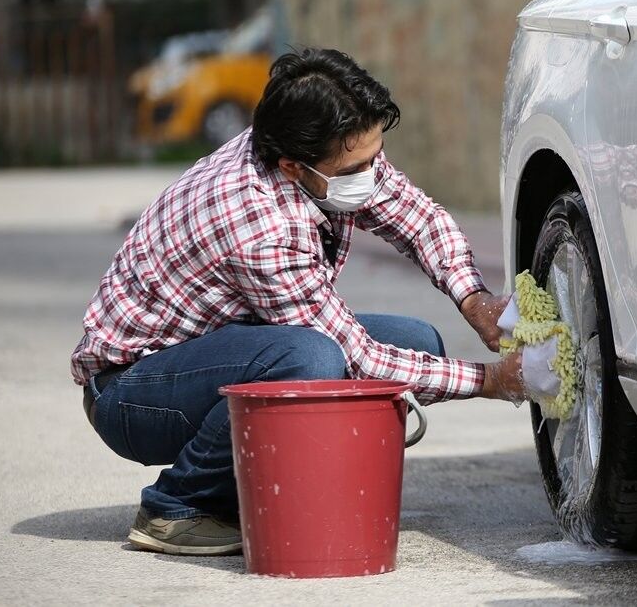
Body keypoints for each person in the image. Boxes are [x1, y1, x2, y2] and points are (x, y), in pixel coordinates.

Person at [71, 48, 524, 556]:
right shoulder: (258, 222)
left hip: (214, 349)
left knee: (417, 343)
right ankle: (177, 507)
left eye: (377, 156)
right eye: (360, 165)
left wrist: (475, 297)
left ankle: (268, 484)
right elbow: (361, 358)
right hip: (133, 393)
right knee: (313, 359)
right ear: (293, 166)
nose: (374, 175)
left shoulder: (320, 151)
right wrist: (492, 381)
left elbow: (417, 218)